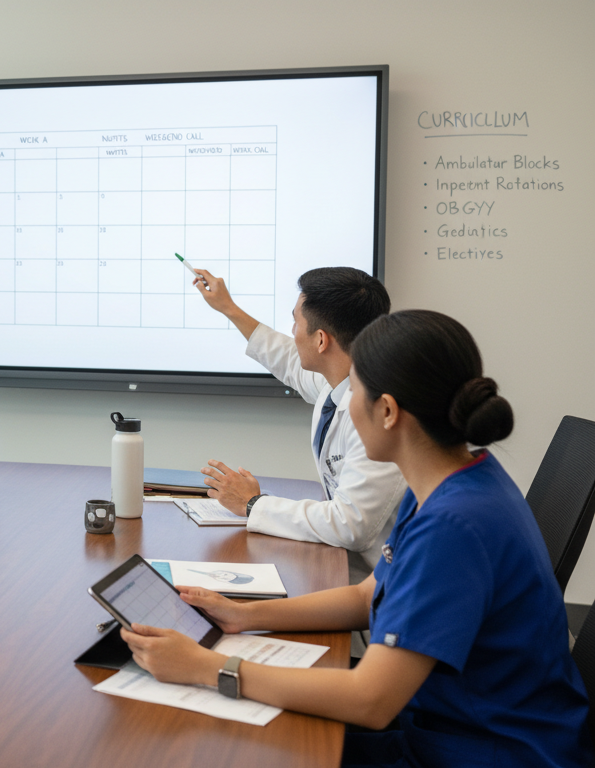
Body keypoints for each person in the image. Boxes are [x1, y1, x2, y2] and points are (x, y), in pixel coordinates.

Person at [121, 309, 590, 767]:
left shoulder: (453, 525)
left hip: (486, 750)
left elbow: (371, 700)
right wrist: (243, 615)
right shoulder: (447, 478)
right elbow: (371, 595)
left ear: (387, 411)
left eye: (354, 391)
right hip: (448, 725)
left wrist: (206, 669)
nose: (344, 404)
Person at [192, 266, 405, 582]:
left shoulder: (379, 417)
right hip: (343, 567)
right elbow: (287, 359)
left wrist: (253, 504)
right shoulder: (340, 384)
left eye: (295, 322)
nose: (292, 332)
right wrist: (229, 308)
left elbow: (350, 525)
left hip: (381, 582)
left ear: (321, 340)